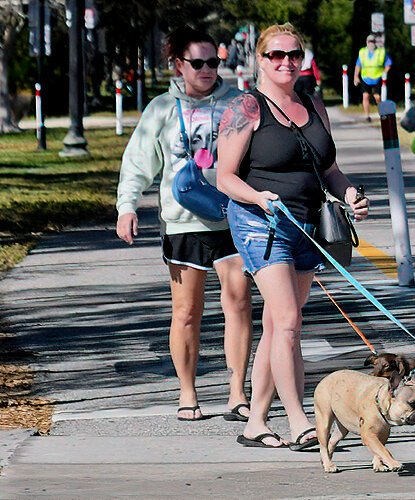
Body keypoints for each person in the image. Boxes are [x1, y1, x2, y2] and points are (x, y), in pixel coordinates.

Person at [214, 23, 371, 450]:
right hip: (260, 222)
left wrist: (351, 194)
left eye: (294, 55)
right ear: (259, 60)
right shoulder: (246, 107)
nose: (286, 63)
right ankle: (301, 420)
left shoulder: (312, 103)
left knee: (277, 327)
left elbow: (330, 169)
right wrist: (259, 197)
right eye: (276, 56)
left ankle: (256, 421)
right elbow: (224, 177)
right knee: (287, 321)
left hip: (309, 225)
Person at [115, 27, 252, 423]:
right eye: (198, 63)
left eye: (214, 62)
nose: (207, 69)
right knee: (187, 312)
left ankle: (236, 392)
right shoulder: (160, 109)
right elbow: (138, 162)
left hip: (231, 215)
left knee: (239, 303)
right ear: (179, 65)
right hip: (182, 223)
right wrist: (127, 207)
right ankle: (187, 392)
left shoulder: (238, 105)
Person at [355, 34, 392, 121]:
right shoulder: (362, 52)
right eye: (369, 42)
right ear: (367, 42)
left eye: (373, 42)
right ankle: (367, 116)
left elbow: (388, 64)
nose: (371, 43)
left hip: (377, 77)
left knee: (377, 97)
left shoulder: (381, 52)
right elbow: (358, 66)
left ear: (375, 43)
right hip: (365, 77)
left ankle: (382, 114)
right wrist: (356, 77)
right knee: (365, 96)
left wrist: (384, 73)